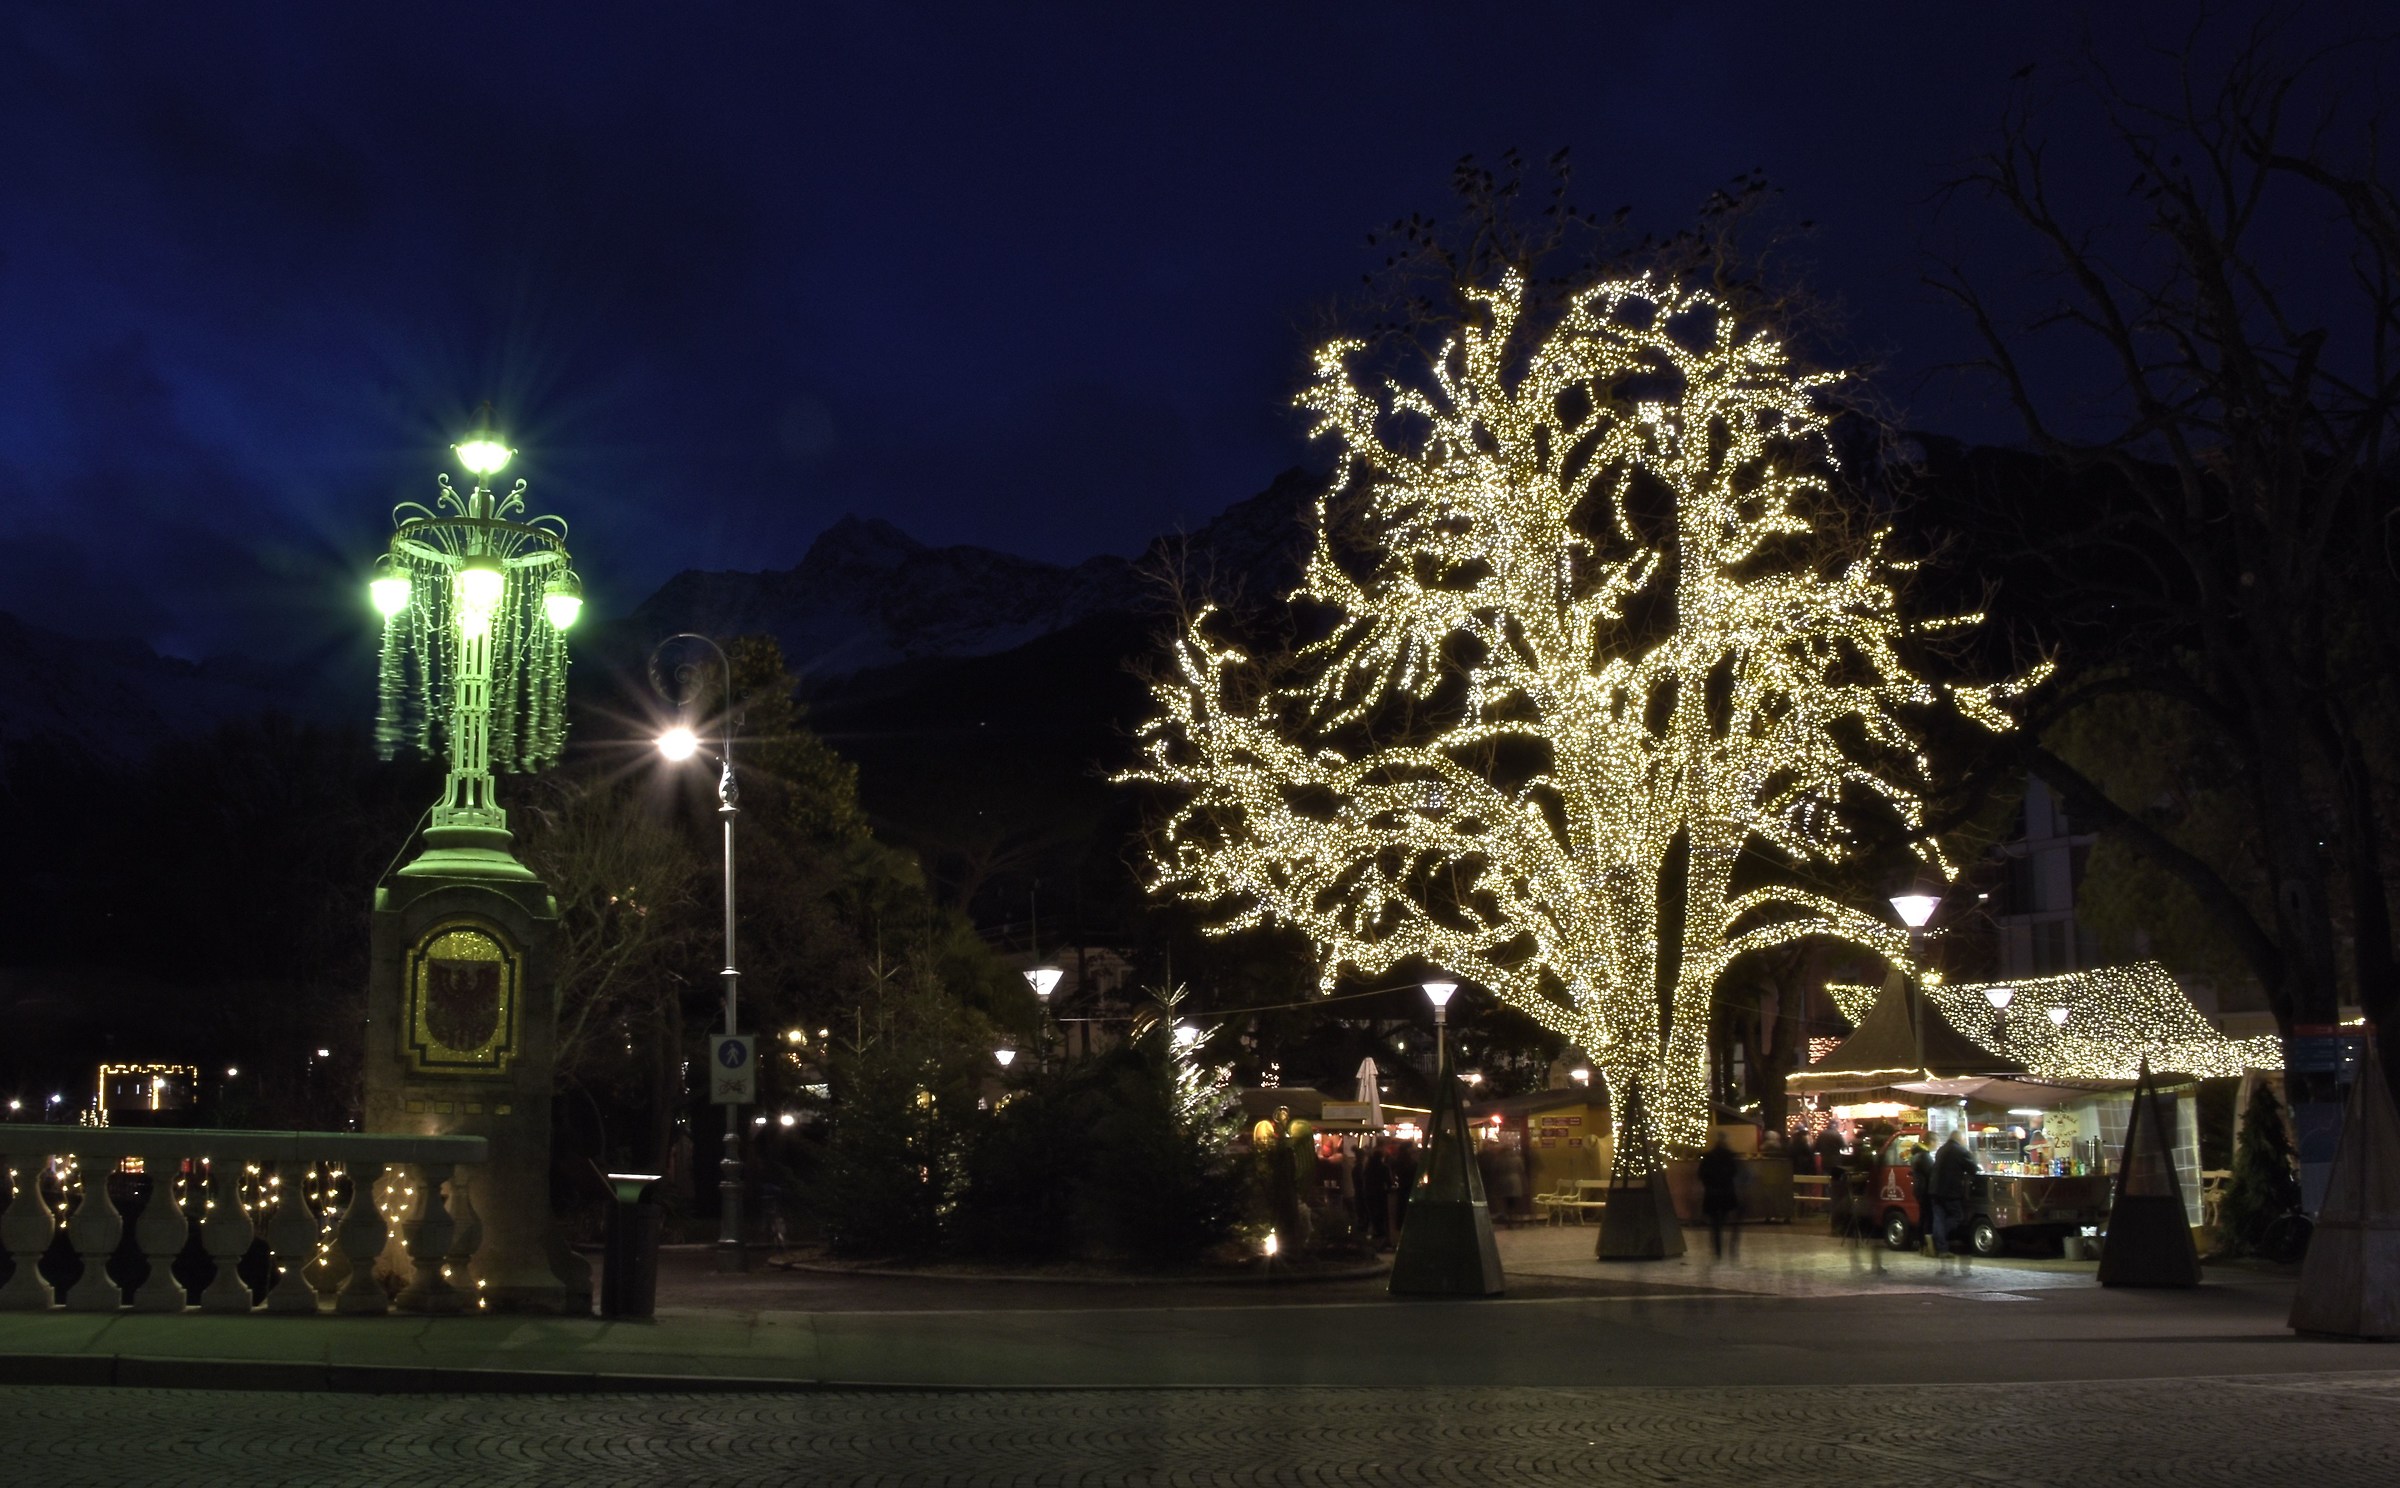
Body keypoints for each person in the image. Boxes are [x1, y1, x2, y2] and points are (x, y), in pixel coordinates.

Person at [1932, 1128, 1979, 1272]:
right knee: (1957, 1216)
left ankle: (1941, 1247)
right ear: (1959, 1139)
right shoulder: (1960, 1151)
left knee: (1938, 1218)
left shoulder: (1941, 1150)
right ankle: (1939, 1237)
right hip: (1950, 1191)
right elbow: (1973, 1169)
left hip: (1934, 1190)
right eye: (1964, 1139)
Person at [1698, 1132, 1744, 1261]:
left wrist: (1709, 1184)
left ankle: (1717, 1249)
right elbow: (1735, 1172)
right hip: (1726, 1192)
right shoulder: (1730, 1156)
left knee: (1715, 1224)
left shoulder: (1708, 1156)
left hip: (1712, 1193)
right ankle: (1730, 1248)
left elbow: (1701, 1174)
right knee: (1727, 1220)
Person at [1909, 1140, 1937, 1256]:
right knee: (1928, 1218)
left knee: (1922, 1217)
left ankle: (1921, 1244)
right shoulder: (1924, 1156)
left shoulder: (1916, 1156)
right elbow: (1932, 1173)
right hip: (1925, 1191)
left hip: (1919, 1190)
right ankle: (1927, 1246)